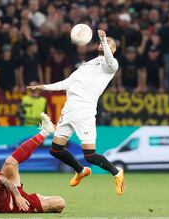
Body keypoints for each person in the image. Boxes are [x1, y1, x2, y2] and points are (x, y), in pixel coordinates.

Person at [27, 30, 125, 195]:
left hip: (85, 111)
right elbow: (66, 83)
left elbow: (108, 59)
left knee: (90, 155)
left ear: (113, 49)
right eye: (103, 41)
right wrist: (43, 87)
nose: (105, 43)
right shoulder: (86, 65)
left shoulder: (111, 65)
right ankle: (81, 171)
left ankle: (117, 173)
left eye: (109, 42)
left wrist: (103, 38)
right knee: (55, 150)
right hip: (69, 110)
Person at [0, 113, 65, 214]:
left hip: (14, 193)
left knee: (10, 163)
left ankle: (45, 132)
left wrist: (17, 195)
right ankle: (38, 200)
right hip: (15, 206)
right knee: (60, 202)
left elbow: (3, 179)